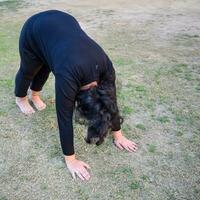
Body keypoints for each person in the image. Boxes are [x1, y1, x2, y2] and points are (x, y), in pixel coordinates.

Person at [14, 10, 138, 181]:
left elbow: (111, 102)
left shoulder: (106, 68)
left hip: (62, 28)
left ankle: (35, 95)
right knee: (30, 70)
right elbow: (63, 117)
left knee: (47, 65)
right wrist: (71, 160)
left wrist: (118, 134)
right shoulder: (68, 77)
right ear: (77, 101)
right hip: (35, 29)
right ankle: (20, 98)